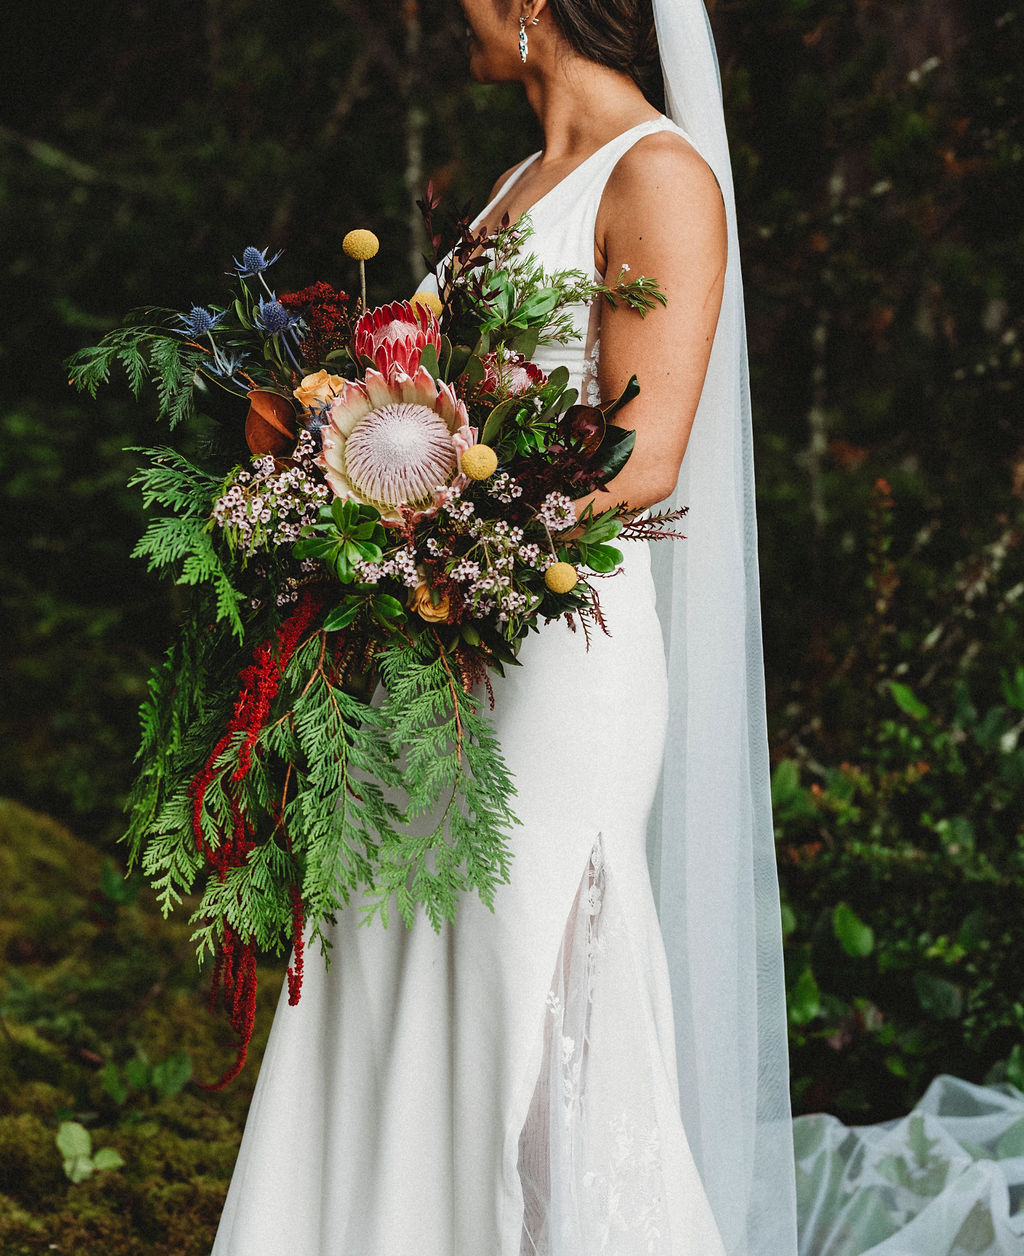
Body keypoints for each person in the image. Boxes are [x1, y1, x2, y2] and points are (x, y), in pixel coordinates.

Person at [211, 1, 798, 1253]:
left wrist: (438, 517)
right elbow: (430, 398)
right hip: (441, 643)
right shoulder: (512, 185)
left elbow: (642, 465)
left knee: (519, 979)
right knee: (389, 962)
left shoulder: (660, 174)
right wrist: (332, 461)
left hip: (557, 655)